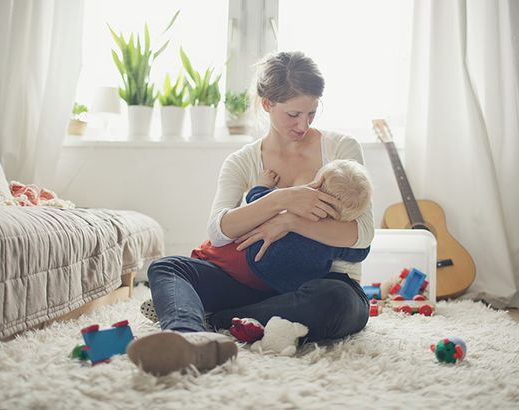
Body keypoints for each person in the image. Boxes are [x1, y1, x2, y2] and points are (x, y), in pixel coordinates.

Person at [127, 51, 375, 377]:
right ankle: (187, 338)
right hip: (252, 282)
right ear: (267, 104)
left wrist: (291, 221)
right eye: (293, 114)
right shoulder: (242, 161)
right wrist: (280, 199)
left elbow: (364, 234)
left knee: (337, 303)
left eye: (312, 113)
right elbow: (219, 230)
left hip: (322, 285)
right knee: (167, 267)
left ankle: (217, 318)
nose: (303, 124)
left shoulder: (342, 148)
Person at [190, 159, 373, 294]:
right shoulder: (333, 240)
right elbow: (360, 252)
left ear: (316, 187)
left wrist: (262, 185)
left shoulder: (296, 206)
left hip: (254, 263)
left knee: (205, 257)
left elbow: (256, 199)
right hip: (287, 289)